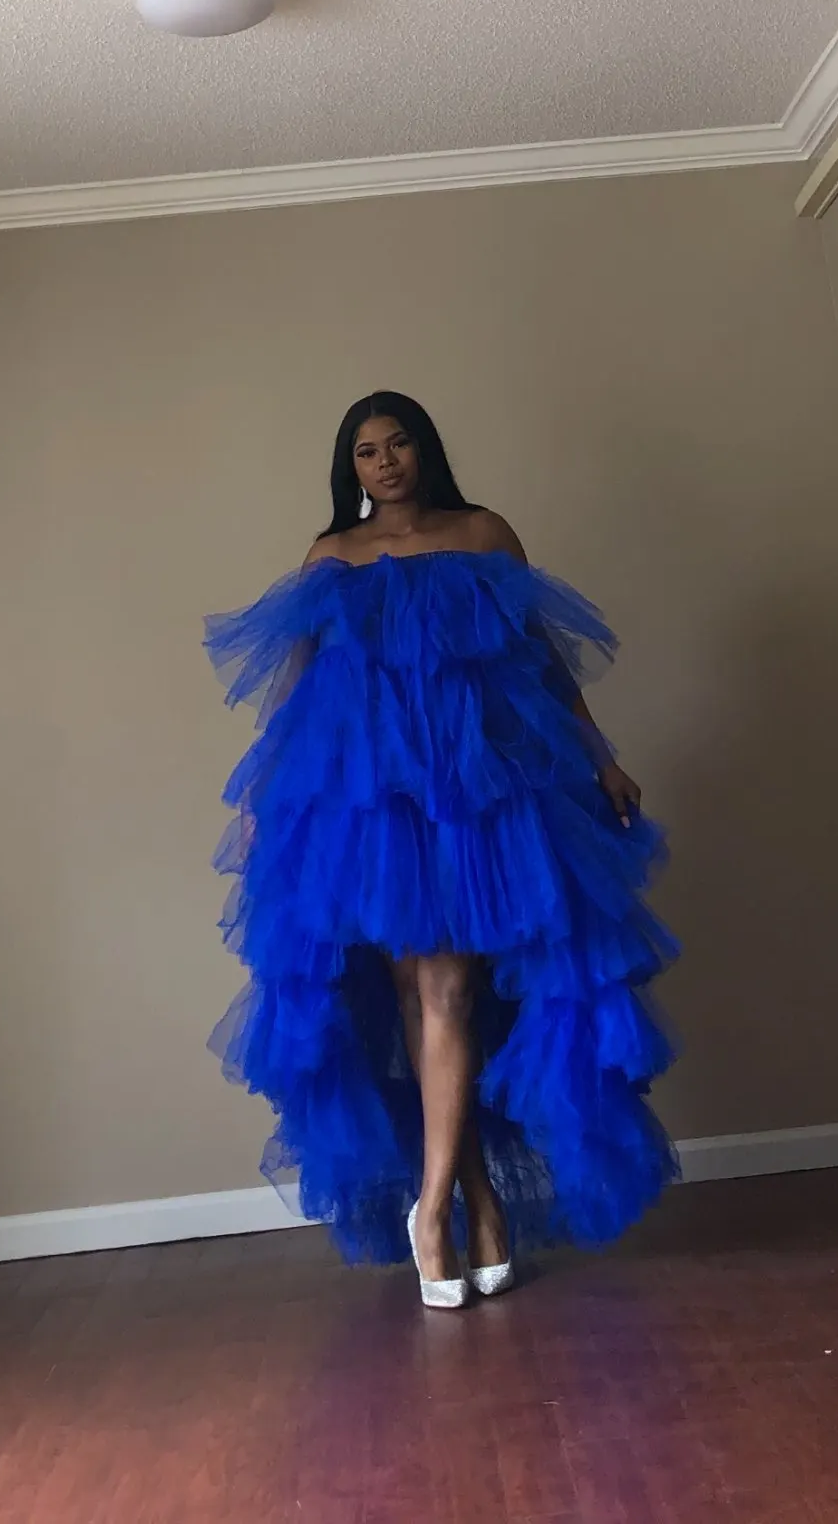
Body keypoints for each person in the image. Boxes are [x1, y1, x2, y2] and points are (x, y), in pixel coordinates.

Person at [205, 391, 678, 1308]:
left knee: (451, 994)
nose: (384, 462)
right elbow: (300, 688)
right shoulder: (332, 557)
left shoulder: (481, 533)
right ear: (350, 467)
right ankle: (478, 1200)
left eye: (398, 444)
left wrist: (600, 757)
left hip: (475, 806)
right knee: (416, 1001)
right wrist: (273, 798)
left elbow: (541, 660)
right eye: (366, 451)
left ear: (423, 450)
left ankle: (431, 1215)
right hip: (376, 816)